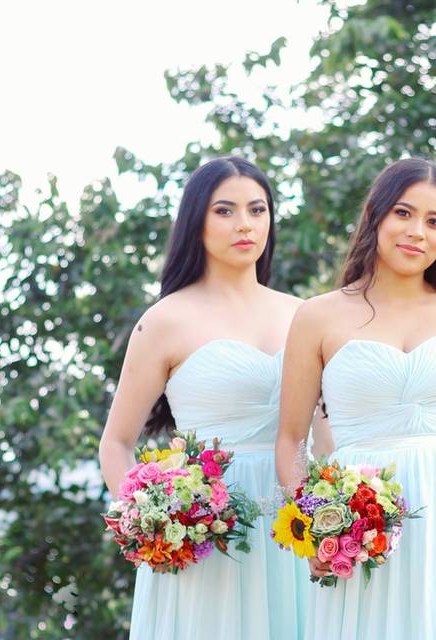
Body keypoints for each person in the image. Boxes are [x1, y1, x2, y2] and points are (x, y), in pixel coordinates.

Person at [275, 158, 436, 639]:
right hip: (362, 527)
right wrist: (317, 529)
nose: (417, 231)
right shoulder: (317, 317)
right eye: (403, 213)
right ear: (375, 215)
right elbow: (292, 439)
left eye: (435, 221)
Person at [99, 156, 308, 639]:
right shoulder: (165, 320)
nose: (244, 224)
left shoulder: (304, 316)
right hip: (206, 532)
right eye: (225, 210)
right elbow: (116, 444)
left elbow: (322, 436)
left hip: (293, 523)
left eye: (257, 210)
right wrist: (154, 519)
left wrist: (329, 519)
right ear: (197, 221)